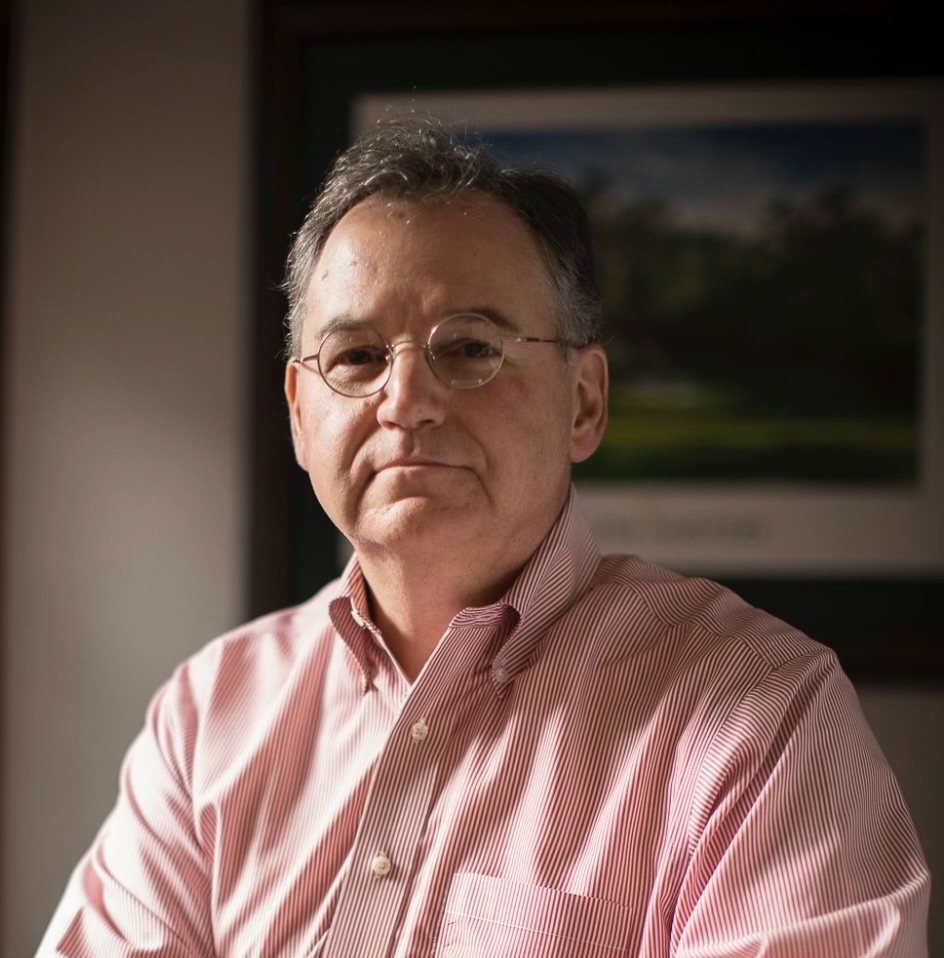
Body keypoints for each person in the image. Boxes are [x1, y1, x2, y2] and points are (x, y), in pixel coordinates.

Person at [37, 116, 929, 957]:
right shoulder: (208, 716)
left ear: (585, 402)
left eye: (469, 348)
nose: (405, 402)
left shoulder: (763, 718)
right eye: (356, 357)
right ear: (301, 415)